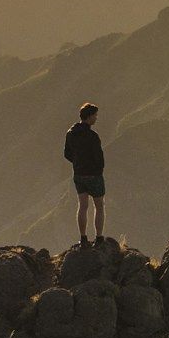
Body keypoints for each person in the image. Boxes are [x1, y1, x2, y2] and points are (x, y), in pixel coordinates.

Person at [64, 102, 106, 245]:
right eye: (95, 115)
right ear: (89, 117)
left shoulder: (70, 133)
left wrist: (77, 163)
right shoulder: (93, 136)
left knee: (82, 206)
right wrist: (98, 169)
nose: (96, 118)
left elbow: (67, 154)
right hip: (94, 174)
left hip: (79, 174)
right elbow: (99, 158)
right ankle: (99, 238)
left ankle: (83, 238)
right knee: (99, 206)